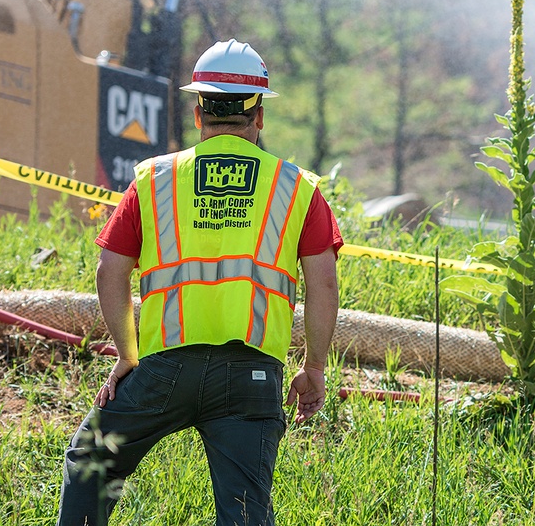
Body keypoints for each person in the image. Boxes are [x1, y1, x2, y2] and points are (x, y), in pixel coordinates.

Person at [57, 39, 342, 526]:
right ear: (259, 116)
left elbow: (110, 270)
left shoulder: (154, 179)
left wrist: (128, 356)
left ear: (198, 112)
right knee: (245, 512)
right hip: (252, 380)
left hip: (164, 371)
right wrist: (313, 366)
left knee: (92, 466)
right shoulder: (297, 189)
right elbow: (325, 286)